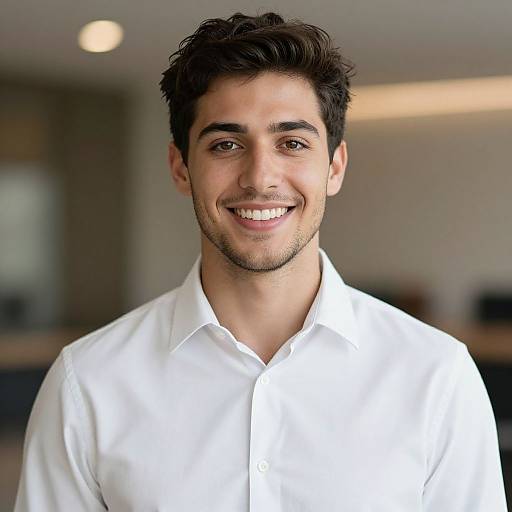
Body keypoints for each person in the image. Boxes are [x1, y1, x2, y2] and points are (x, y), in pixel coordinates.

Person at [15, 12, 507, 511]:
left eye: (292, 143)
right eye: (226, 144)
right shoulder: (89, 382)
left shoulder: (436, 375)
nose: (259, 177)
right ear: (181, 167)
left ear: (333, 166)